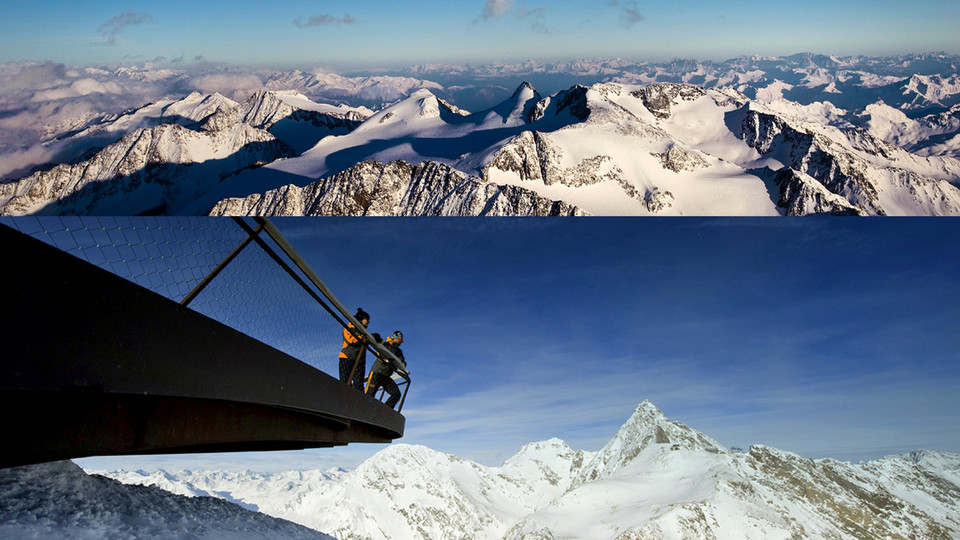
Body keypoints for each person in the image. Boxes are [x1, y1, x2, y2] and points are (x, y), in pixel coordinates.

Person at [366, 330, 407, 409]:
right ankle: (362, 411)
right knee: (369, 395)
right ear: (396, 338)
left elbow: (403, 362)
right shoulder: (385, 345)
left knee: (396, 394)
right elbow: (379, 350)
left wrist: (402, 364)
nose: (401, 342)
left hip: (386, 376)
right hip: (377, 373)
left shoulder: (399, 351)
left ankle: (383, 410)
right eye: (400, 340)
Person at [339, 308, 370, 391]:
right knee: (344, 383)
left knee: (359, 384)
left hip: (359, 360)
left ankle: (358, 403)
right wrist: (362, 339)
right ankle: (342, 400)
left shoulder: (365, 334)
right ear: (361, 319)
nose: (368, 322)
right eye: (367, 319)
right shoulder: (349, 328)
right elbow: (351, 341)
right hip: (346, 357)